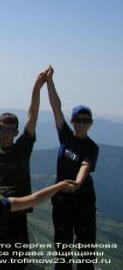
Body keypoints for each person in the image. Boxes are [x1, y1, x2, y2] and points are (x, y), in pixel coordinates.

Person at [0, 71, 47, 267]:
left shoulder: (23, 147)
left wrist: (36, 89)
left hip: (18, 213)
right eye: (2, 129)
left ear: (16, 132)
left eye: (10, 130)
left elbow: (32, 118)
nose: (6, 133)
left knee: (17, 262)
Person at [44, 65, 99, 270]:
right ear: (72, 121)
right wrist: (50, 81)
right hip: (62, 197)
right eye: (78, 120)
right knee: (62, 244)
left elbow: (86, 165)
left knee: (85, 246)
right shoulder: (65, 136)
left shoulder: (91, 147)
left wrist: (77, 183)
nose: (81, 123)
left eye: (85, 120)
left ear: (91, 123)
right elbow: (56, 107)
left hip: (83, 196)